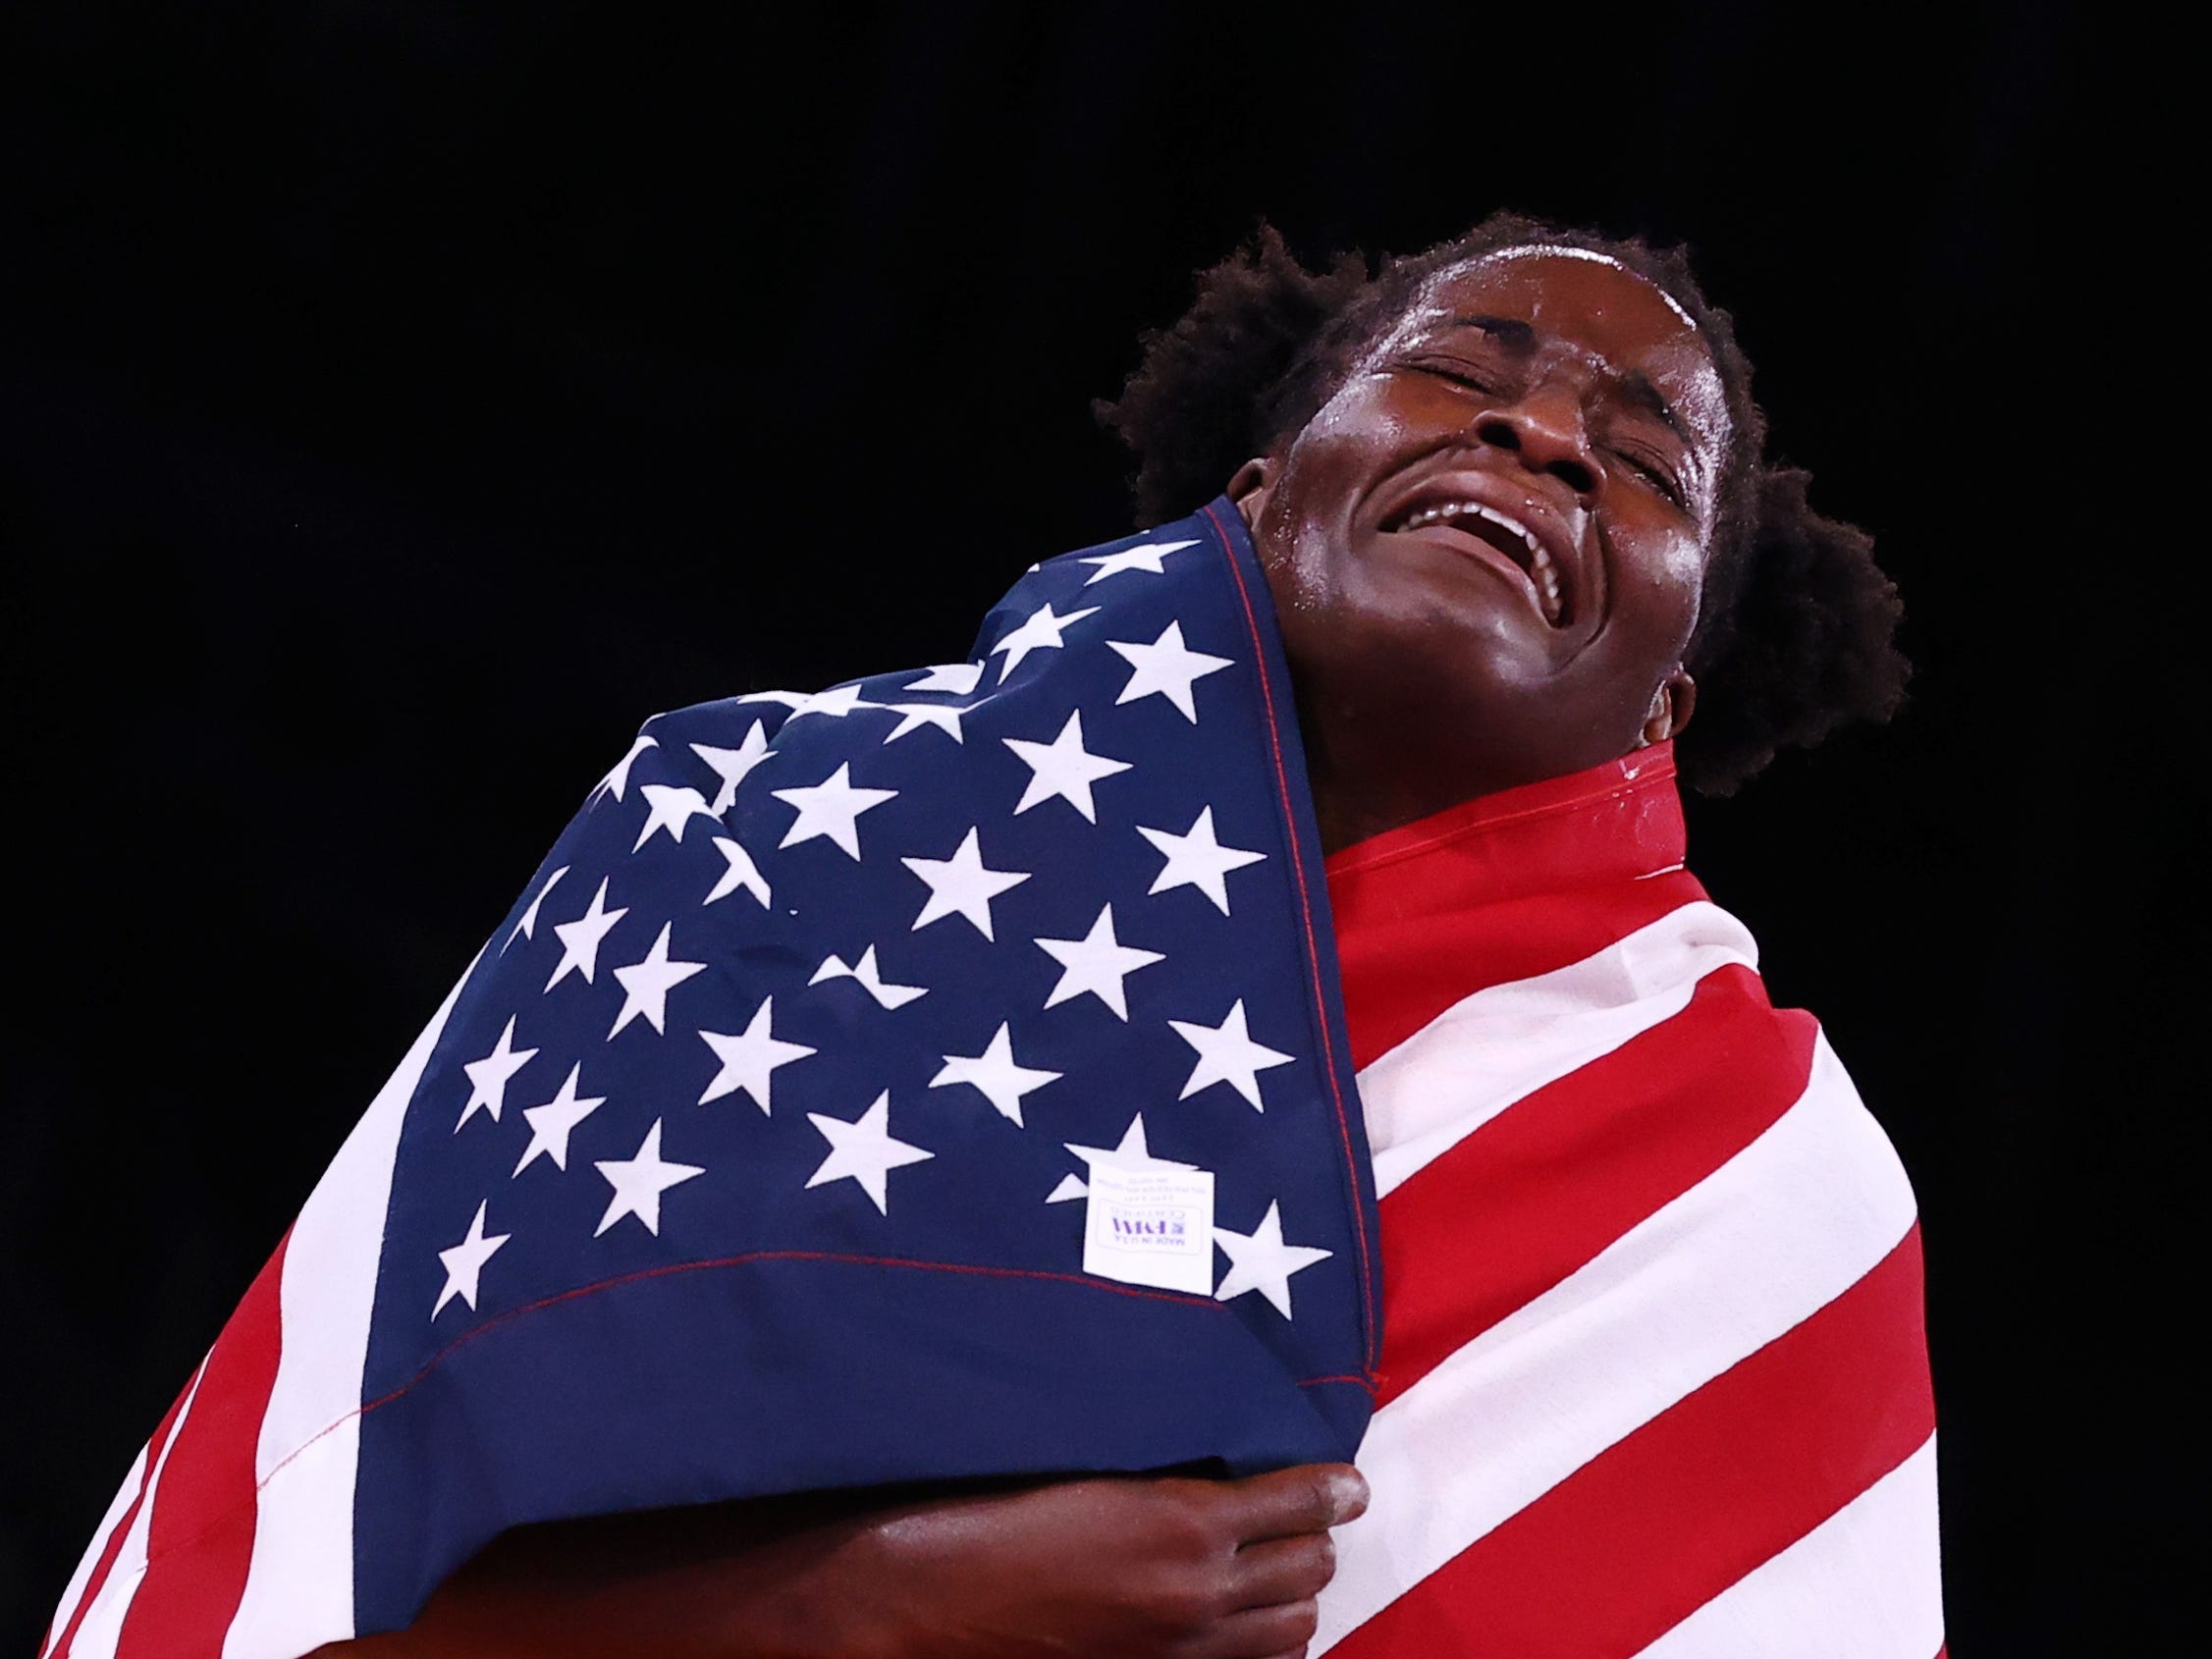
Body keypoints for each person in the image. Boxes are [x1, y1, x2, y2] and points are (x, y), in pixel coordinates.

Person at [51, 211, 1934, 1658]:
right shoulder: (761, 820)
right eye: (1466, 369)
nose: (1545, 429)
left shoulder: (1754, 1184)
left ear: (1668, 702)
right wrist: (875, 1603)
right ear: (1260, 493)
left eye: (1646, 458)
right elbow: (295, 1574)